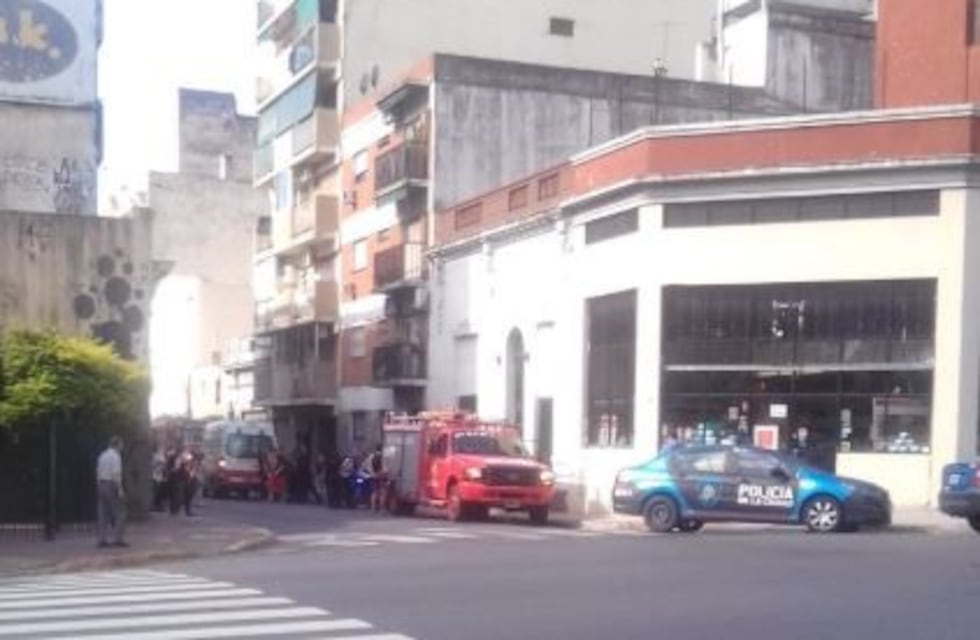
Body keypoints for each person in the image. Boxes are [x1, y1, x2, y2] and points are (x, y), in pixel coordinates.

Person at [96, 436, 128, 548]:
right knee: (120, 512)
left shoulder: (102, 455)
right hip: (111, 484)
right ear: (117, 445)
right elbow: (116, 474)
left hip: (101, 483)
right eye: (121, 445)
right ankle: (118, 538)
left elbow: (98, 471)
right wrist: (120, 489)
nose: (122, 447)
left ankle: (102, 539)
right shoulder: (116, 457)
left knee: (103, 513)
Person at [362, 444, 387, 513]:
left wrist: (370, 473)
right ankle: (382, 508)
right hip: (381, 476)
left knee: (374, 492)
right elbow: (385, 467)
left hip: (372, 476)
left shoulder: (370, 456)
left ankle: (373, 508)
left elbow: (364, 466)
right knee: (383, 492)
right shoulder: (383, 457)